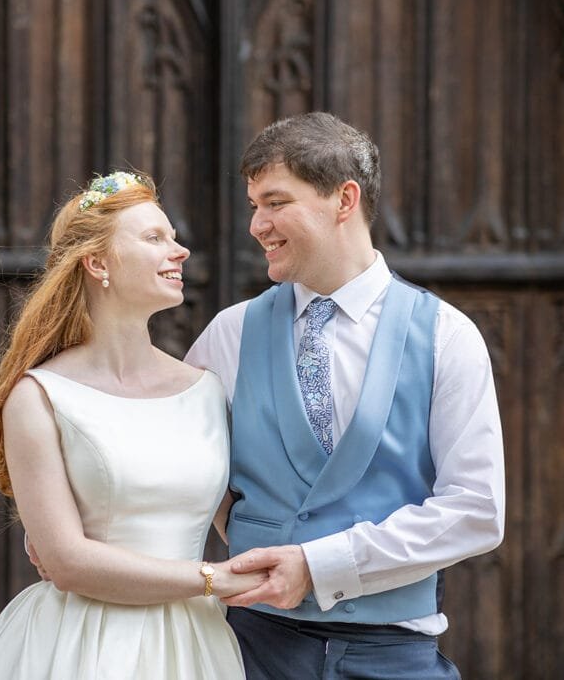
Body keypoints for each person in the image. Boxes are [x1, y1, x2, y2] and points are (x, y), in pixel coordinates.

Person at [183, 112, 506, 679]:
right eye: (254, 205)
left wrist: (317, 565)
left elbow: (476, 510)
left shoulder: (446, 336)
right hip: (249, 651)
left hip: (394, 657)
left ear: (344, 198)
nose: (257, 225)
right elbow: (181, 472)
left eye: (276, 202)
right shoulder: (228, 335)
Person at [0, 171, 262, 679]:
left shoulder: (208, 389)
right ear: (98, 262)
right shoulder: (39, 397)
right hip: (84, 644)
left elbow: (246, 519)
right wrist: (211, 578)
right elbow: (65, 560)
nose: (181, 250)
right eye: (154, 238)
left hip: (193, 644)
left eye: (172, 235)